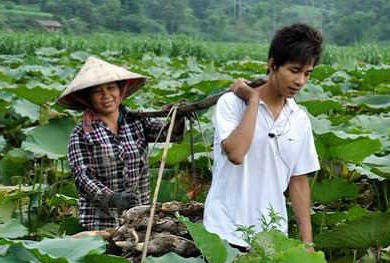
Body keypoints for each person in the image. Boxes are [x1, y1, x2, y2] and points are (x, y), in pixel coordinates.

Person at [203, 23, 323, 249]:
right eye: (294, 70)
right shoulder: (231, 104)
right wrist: (254, 102)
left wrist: (307, 242)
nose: (301, 81)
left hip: (271, 235)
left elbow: (298, 181)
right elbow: (236, 154)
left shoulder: (299, 119)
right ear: (272, 65)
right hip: (224, 230)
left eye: (308, 74)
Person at [59, 56, 184, 231]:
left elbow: (168, 134)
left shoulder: (137, 121)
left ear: (121, 90)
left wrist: (177, 118)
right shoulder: (81, 134)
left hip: (139, 218)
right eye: (97, 91)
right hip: (101, 223)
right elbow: (83, 177)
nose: (106, 96)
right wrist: (111, 198)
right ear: (87, 98)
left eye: (111, 88)